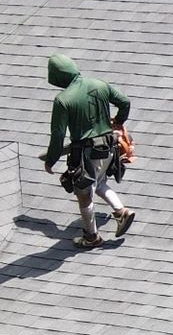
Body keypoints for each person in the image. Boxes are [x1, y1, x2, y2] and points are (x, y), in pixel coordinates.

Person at [41, 53, 134, 247]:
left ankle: (91, 237)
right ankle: (121, 212)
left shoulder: (63, 100)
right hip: (109, 147)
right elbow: (125, 102)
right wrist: (118, 123)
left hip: (86, 154)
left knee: (84, 194)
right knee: (99, 182)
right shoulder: (100, 84)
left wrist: (51, 160)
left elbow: (57, 135)